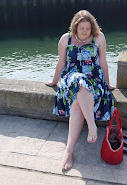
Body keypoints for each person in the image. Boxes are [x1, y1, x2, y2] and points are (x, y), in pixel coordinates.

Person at [46, 10, 115, 171]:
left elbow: (103, 62)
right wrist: (54, 81)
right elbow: (61, 63)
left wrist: (108, 84)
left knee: (77, 102)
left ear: (92, 29)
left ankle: (69, 150)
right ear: (75, 27)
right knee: (79, 81)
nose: (84, 31)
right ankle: (92, 125)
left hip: (94, 78)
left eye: (88, 28)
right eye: (81, 28)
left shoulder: (99, 38)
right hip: (71, 77)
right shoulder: (65, 39)